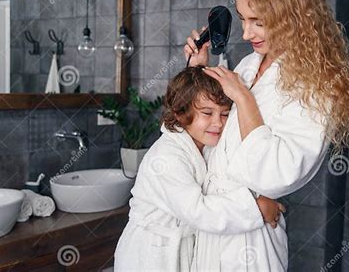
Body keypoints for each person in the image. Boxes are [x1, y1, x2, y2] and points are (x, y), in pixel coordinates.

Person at [184, 0, 349, 270]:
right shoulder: (249, 65)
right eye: (243, 19)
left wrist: (244, 99)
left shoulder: (315, 84)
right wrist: (197, 70)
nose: (246, 34)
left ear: (290, 15)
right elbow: (213, 132)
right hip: (215, 222)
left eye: (258, 21)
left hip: (250, 242)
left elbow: (281, 173)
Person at [113, 66, 285, 271]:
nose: (218, 123)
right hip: (149, 255)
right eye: (207, 113)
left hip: (180, 247)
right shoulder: (166, 158)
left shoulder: (203, 147)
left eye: (224, 114)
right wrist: (257, 209)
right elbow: (199, 211)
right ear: (179, 112)